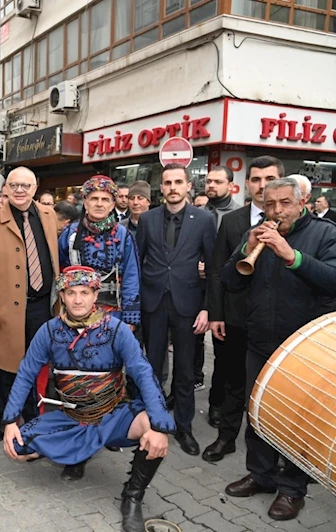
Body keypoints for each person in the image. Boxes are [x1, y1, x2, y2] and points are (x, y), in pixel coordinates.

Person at [1, 266, 174, 532]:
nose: (78, 300)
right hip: (71, 415)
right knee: (19, 445)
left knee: (151, 430)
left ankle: (132, 497)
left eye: (84, 292)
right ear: (63, 296)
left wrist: (161, 425)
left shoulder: (116, 329)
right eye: (71, 293)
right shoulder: (49, 331)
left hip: (112, 415)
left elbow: (142, 372)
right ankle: (75, 456)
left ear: (96, 295)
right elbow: (26, 373)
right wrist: (10, 420)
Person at [222, 177, 336, 521]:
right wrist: (247, 249)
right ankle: (261, 474)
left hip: (304, 347)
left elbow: (332, 279)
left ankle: (292, 488)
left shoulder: (325, 233)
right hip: (260, 338)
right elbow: (229, 280)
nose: (276, 211)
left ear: (302, 202)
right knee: (257, 411)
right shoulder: (253, 232)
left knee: (298, 418)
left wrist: (292, 256)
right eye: (270, 204)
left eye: (285, 203)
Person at [136, 163, 216, 457]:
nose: (172, 187)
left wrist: (207, 308)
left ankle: (183, 426)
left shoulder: (204, 220)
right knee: (152, 368)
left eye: (177, 182)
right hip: (153, 304)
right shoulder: (147, 219)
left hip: (188, 305)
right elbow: (137, 262)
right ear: (162, 187)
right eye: (167, 182)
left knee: (184, 370)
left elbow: (214, 268)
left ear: (187, 186)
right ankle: (153, 422)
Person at [203, 155, 278, 463]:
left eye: (269, 179)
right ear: (246, 184)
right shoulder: (233, 221)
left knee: (271, 390)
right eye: (256, 179)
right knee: (233, 381)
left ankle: (273, 449)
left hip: (275, 321)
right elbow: (217, 270)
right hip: (234, 318)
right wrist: (216, 314)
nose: (262, 186)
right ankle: (226, 438)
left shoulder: (292, 220)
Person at [0, 167, 59, 442]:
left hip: (42, 305)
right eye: (15, 185)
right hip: (6, 309)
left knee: (36, 363)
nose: (20, 190)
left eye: (26, 185)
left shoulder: (48, 215)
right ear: (6, 190)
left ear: (35, 189)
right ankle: (7, 417)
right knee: (6, 365)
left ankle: (33, 417)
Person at [59, 175, 140, 329]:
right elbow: (58, 270)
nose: (99, 204)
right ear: (85, 202)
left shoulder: (123, 235)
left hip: (114, 312)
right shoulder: (70, 233)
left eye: (105, 200)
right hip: (75, 312)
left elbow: (131, 276)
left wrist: (130, 318)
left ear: (112, 205)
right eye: (94, 198)